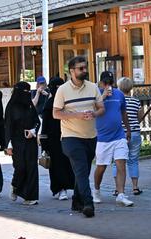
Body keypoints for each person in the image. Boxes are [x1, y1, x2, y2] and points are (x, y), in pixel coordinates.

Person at [53, 56, 105, 218]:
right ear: (72, 71)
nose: (84, 71)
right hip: (70, 137)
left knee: (83, 171)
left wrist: (94, 113)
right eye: (81, 68)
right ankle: (88, 204)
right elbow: (56, 113)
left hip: (90, 136)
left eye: (85, 67)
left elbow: (101, 108)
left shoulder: (93, 87)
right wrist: (77, 115)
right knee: (82, 170)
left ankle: (76, 200)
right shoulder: (62, 90)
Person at [93, 72, 134, 207]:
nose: (108, 85)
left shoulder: (119, 94)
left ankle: (121, 194)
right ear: (101, 83)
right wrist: (102, 97)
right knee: (101, 167)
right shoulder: (96, 93)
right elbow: (91, 110)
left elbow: (123, 112)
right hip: (103, 138)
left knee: (121, 164)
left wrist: (128, 129)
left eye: (110, 82)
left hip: (119, 136)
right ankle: (97, 190)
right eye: (105, 83)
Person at [5, 82, 40, 205]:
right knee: (20, 168)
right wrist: (8, 145)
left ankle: (30, 197)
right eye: (25, 91)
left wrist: (33, 131)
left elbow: (37, 121)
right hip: (17, 141)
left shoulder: (30, 105)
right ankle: (15, 185)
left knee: (31, 168)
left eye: (29, 91)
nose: (28, 94)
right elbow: (8, 126)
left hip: (30, 141)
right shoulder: (11, 106)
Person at [40, 77, 75, 200]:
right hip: (53, 140)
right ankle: (60, 189)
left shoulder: (68, 102)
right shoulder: (49, 104)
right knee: (57, 165)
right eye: (57, 87)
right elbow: (45, 126)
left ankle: (70, 186)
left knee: (69, 163)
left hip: (68, 136)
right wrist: (44, 143)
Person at [114, 77, 143, 195]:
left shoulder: (117, 101)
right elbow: (140, 117)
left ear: (119, 87)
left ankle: (118, 189)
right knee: (133, 160)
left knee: (118, 161)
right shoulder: (136, 101)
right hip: (134, 132)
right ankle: (135, 187)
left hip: (120, 134)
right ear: (131, 88)